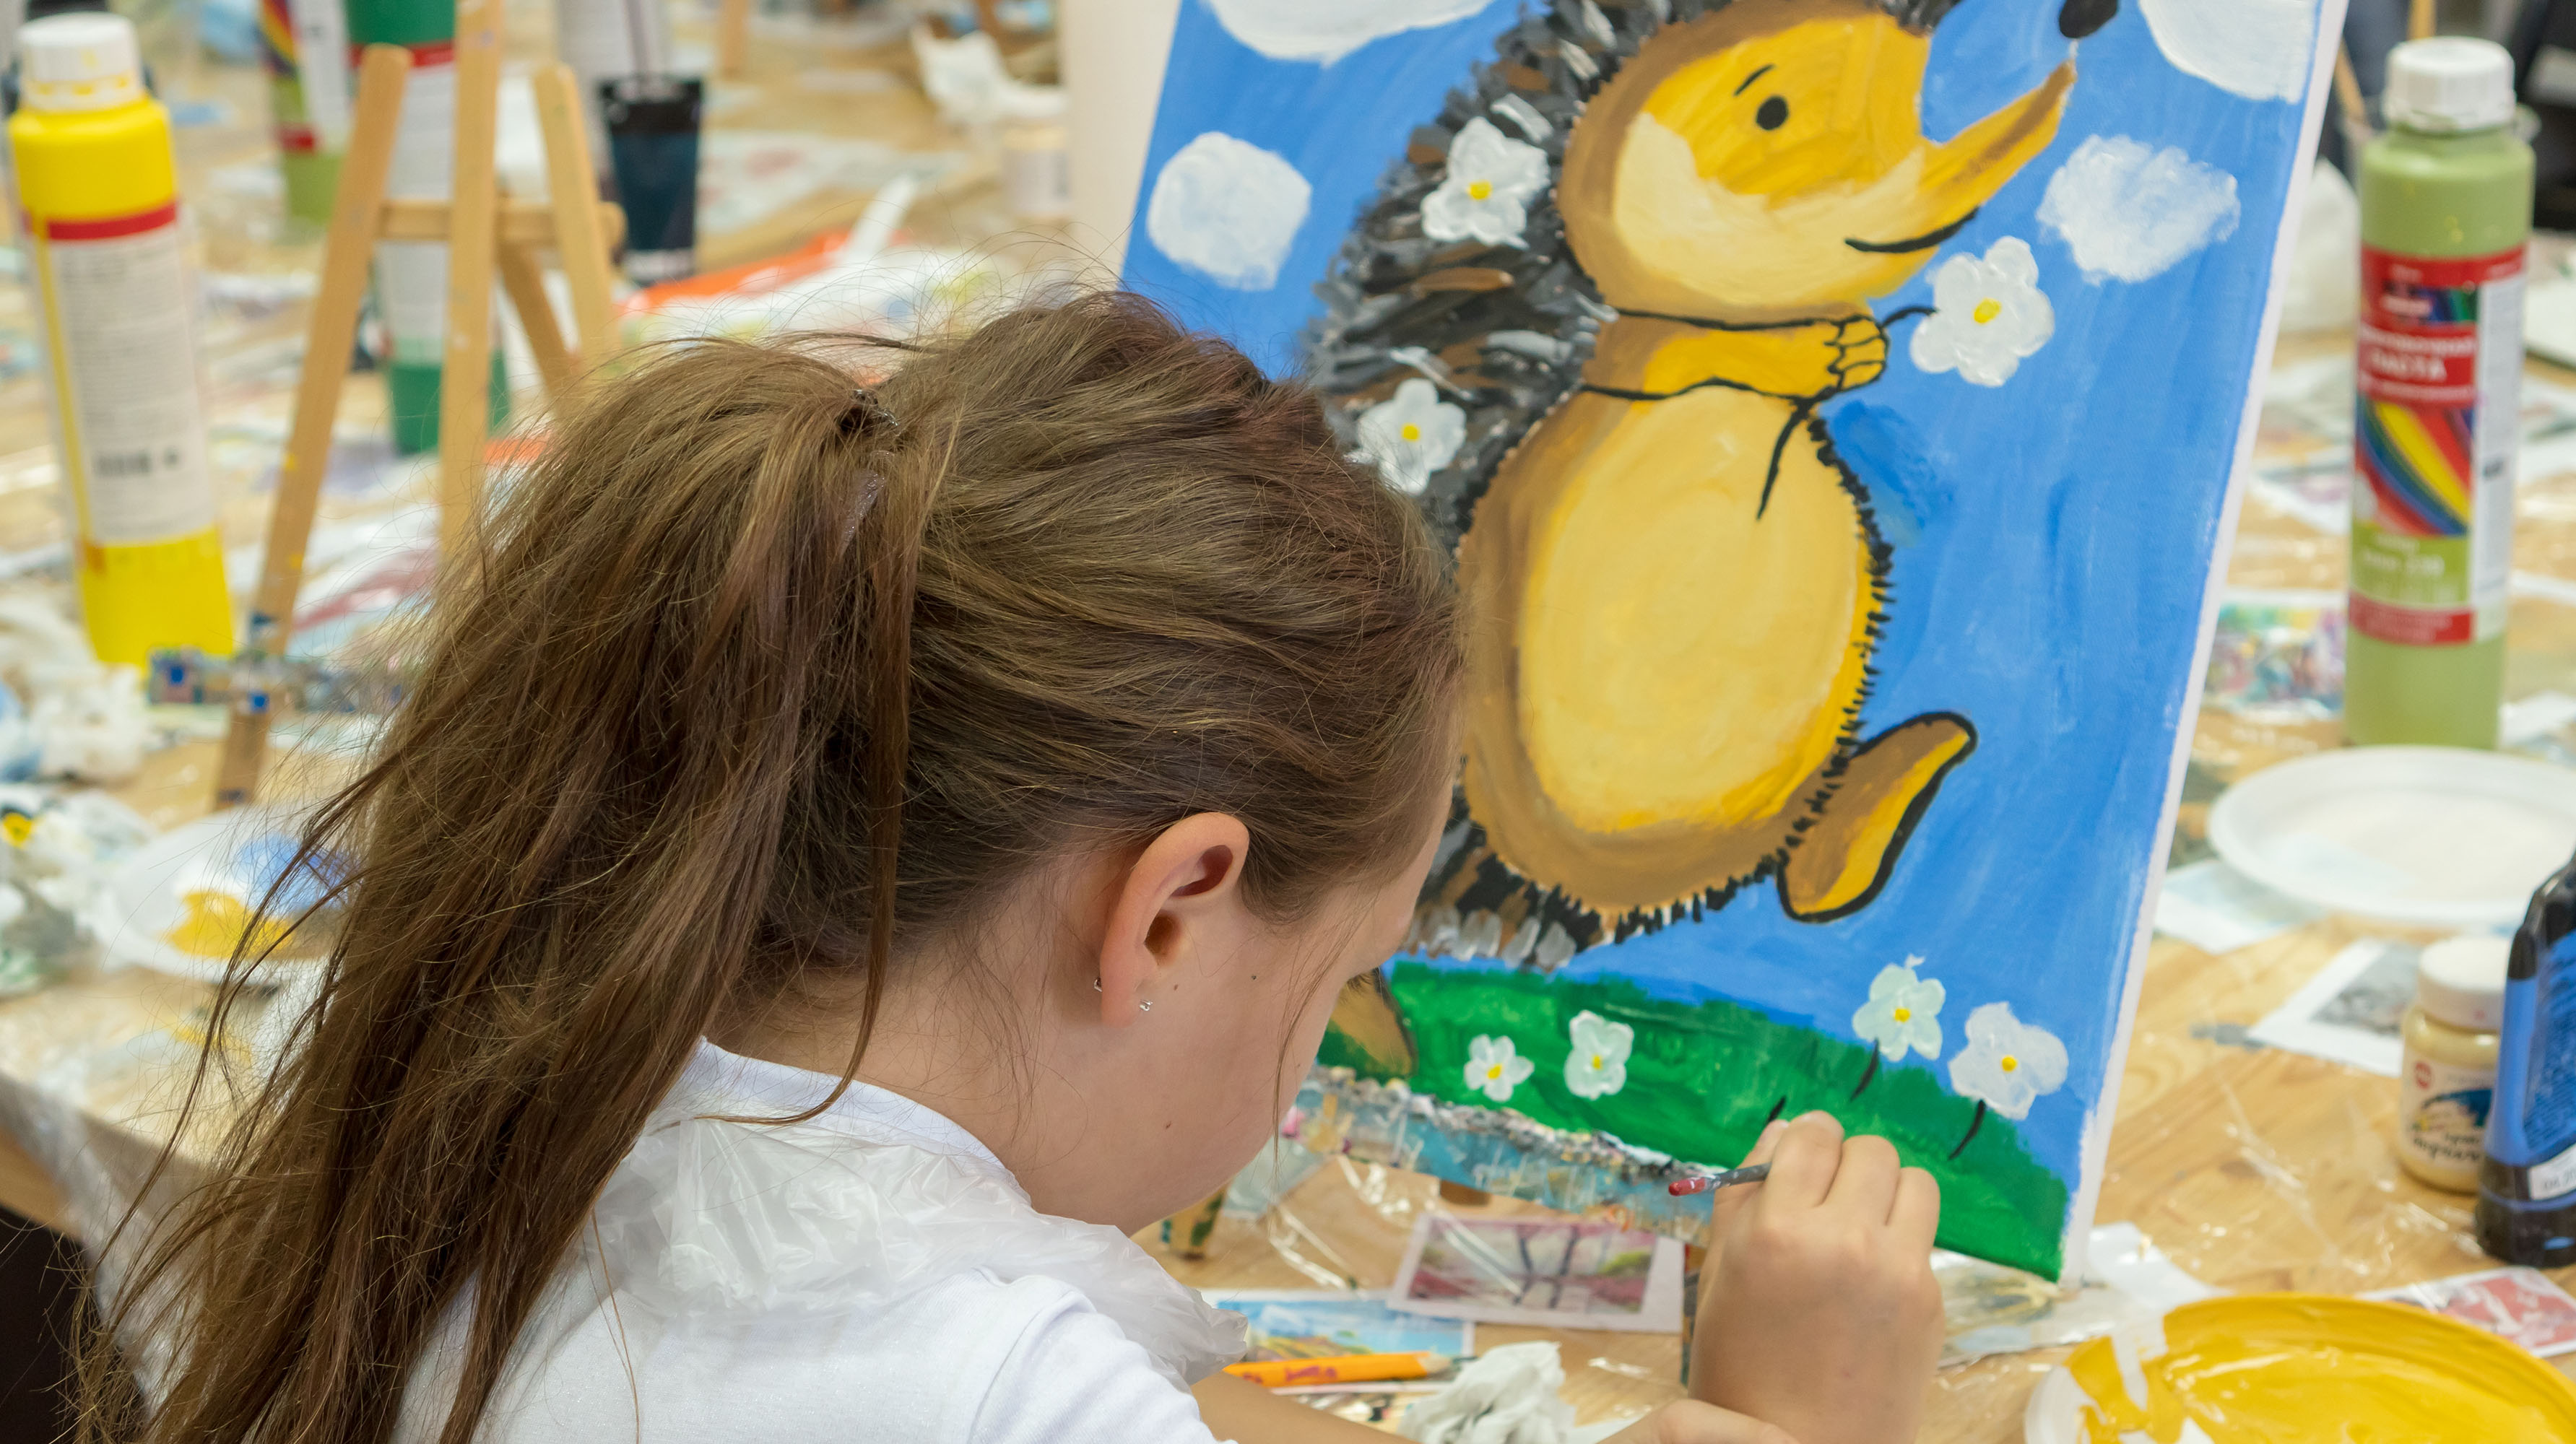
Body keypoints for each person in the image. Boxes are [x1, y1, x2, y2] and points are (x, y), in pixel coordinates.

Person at [77, 294, 1946, 1444]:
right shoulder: (975, 1384)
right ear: (1168, 911)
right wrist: (1789, 1422)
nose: (1324, 1077)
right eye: (1328, 997)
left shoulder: (558, 1049)